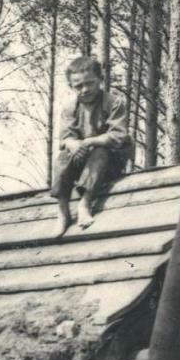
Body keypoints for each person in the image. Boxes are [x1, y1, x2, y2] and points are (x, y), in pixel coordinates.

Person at [51, 56, 133, 232]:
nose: (85, 89)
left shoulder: (113, 102)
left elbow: (118, 135)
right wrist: (72, 144)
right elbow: (65, 137)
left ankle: (85, 204)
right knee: (63, 158)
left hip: (109, 161)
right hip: (82, 161)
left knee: (100, 152)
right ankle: (63, 210)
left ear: (100, 80)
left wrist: (89, 142)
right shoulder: (69, 108)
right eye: (78, 86)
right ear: (71, 86)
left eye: (90, 83)